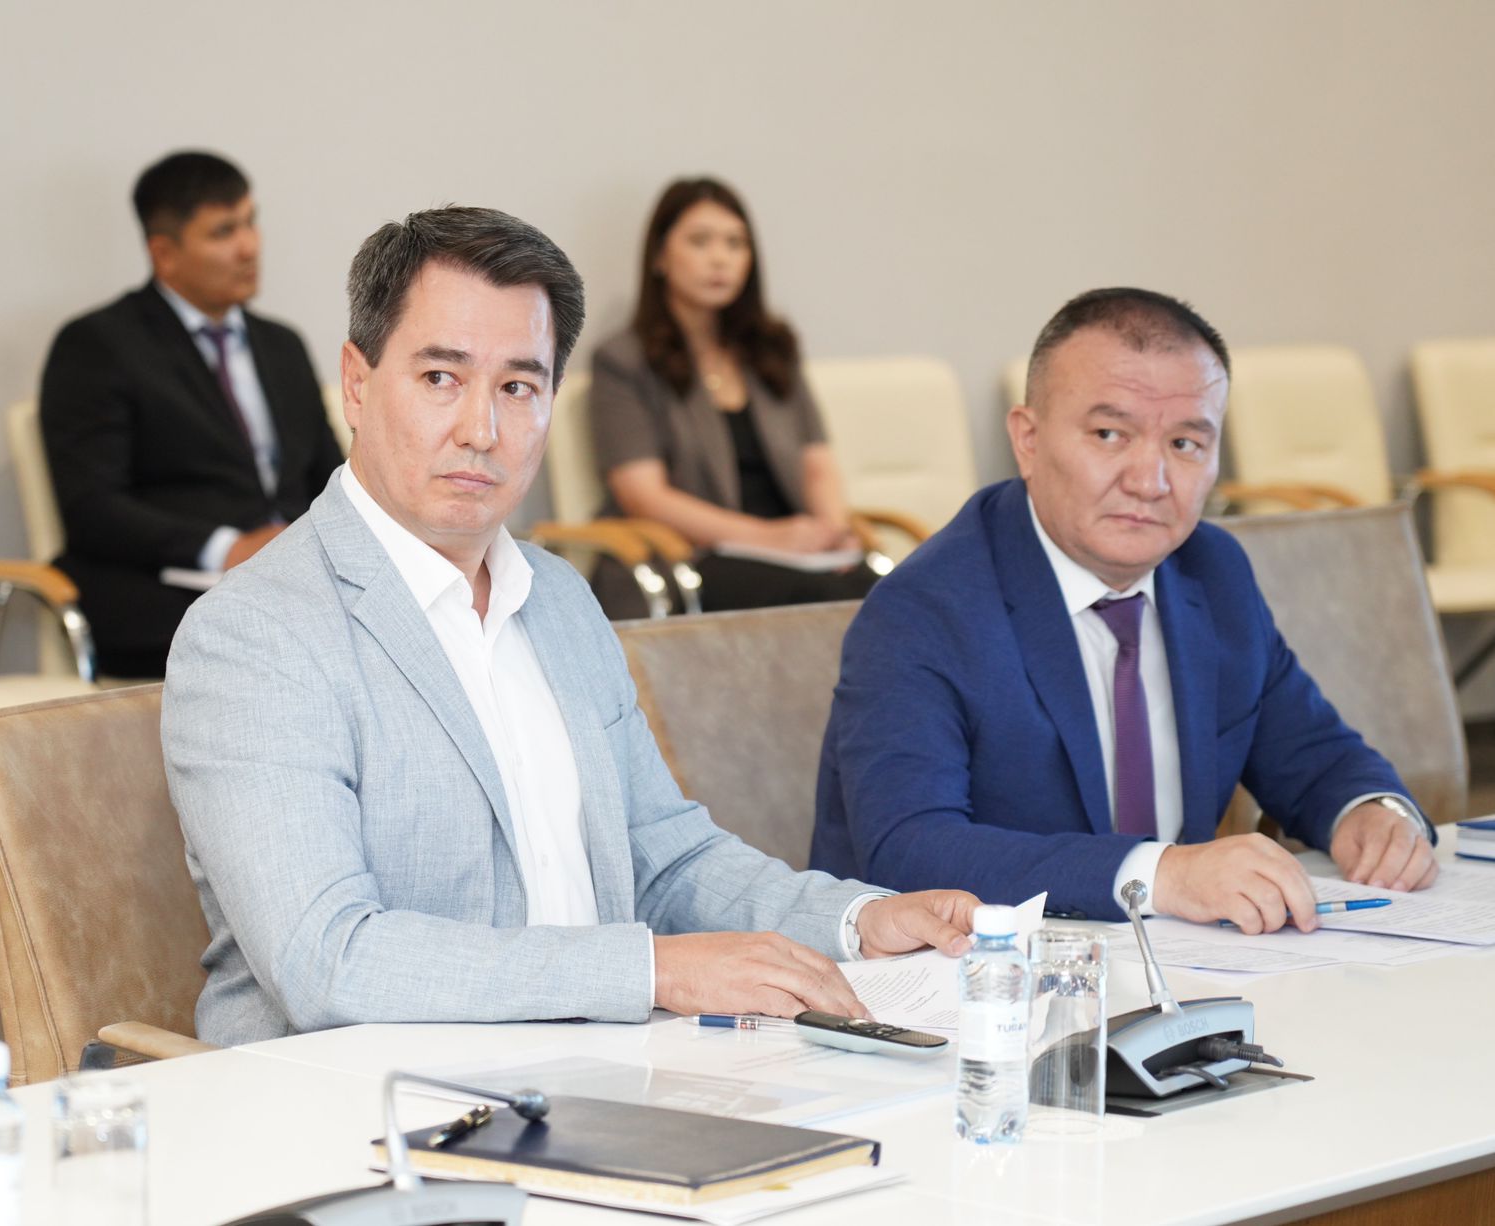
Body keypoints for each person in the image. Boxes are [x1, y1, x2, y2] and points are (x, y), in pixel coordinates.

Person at [161, 205, 978, 1045]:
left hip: (600, 1070)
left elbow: (664, 857)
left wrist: (856, 921)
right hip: (365, 1100)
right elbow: (327, 959)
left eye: (518, 387)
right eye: (440, 378)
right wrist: (653, 970)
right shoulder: (257, 633)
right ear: (357, 384)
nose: (481, 431)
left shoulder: (557, 598)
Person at [810, 288, 1439, 932]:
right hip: (968, 975)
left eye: (1186, 444)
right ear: (1028, 439)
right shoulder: (925, 609)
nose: (1149, 481)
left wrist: (1370, 812)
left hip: (1183, 965)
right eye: (1110, 435)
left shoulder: (1212, 571)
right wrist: (1161, 875)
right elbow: (909, 846)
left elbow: (1311, 752)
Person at [40, 150, 343, 677]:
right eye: (223, 232)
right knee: (274, 636)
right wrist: (228, 548)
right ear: (165, 252)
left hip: (292, 576)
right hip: (166, 586)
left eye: (250, 222)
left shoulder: (282, 346)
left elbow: (332, 479)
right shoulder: (98, 345)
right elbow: (92, 507)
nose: (249, 246)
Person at [587, 177, 879, 617]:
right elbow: (644, 496)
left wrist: (833, 533)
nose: (720, 258)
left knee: (889, 590)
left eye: (735, 243)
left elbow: (817, 463)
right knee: (818, 596)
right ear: (660, 256)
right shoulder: (623, 360)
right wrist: (771, 538)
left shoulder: (772, 350)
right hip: (692, 556)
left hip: (796, 555)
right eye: (700, 241)